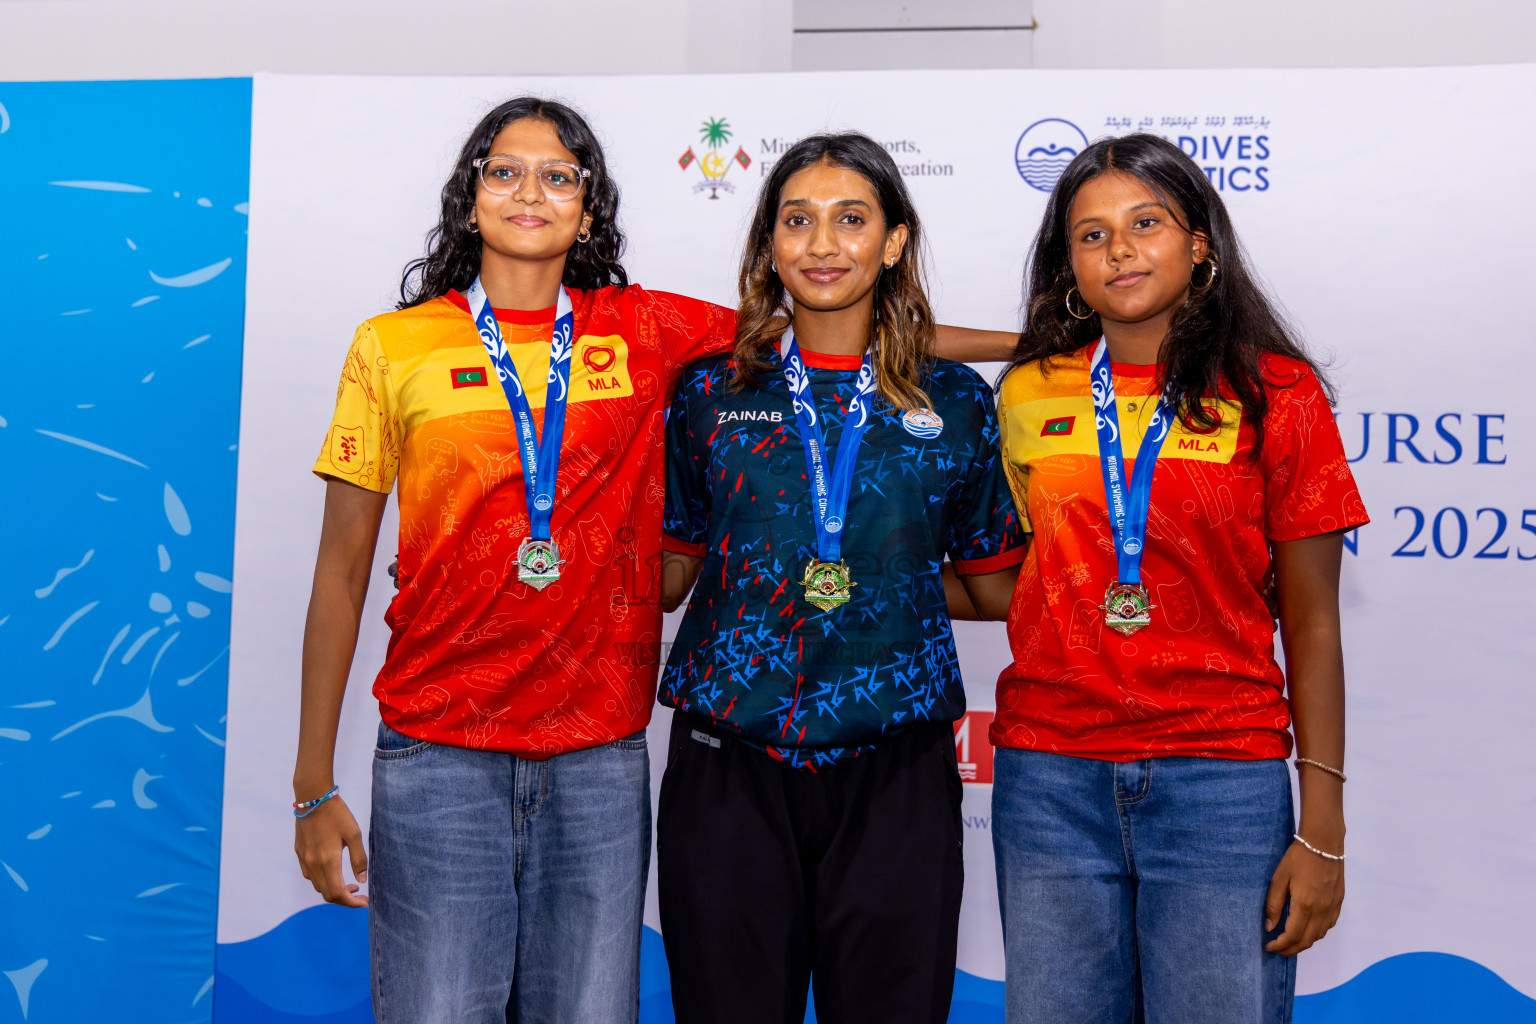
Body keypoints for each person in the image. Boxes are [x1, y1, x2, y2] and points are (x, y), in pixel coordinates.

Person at [291, 98, 1014, 1023]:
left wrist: (1052, 344)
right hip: (440, 746)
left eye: (559, 176)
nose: (531, 192)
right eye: (504, 171)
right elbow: (340, 571)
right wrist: (314, 785)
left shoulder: (645, 331)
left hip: (598, 749)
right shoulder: (391, 346)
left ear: (589, 209)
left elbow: (828, 328)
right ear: (468, 198)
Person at [990, 132, 1369, 1024]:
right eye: (1090, 235)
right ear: (1067, 262)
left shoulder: (1276, 393)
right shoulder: (1029, 390)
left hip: (1220, 785)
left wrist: (1323, 827)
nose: (1119, 249)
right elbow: (1020, 576)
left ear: (1200, 242)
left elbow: (1313, 624)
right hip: (1048, 779)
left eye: (1145, 223)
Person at [656, 132, 1026, 1024]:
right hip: (729, 757)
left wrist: (872, 577)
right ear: (770, 244)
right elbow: (669, 577)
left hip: (896, 765)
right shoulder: (708, 390)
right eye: (798, 220)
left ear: (893, 241)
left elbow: (990, 593)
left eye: (850, 219)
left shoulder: (958, 399)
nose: (823, 245)